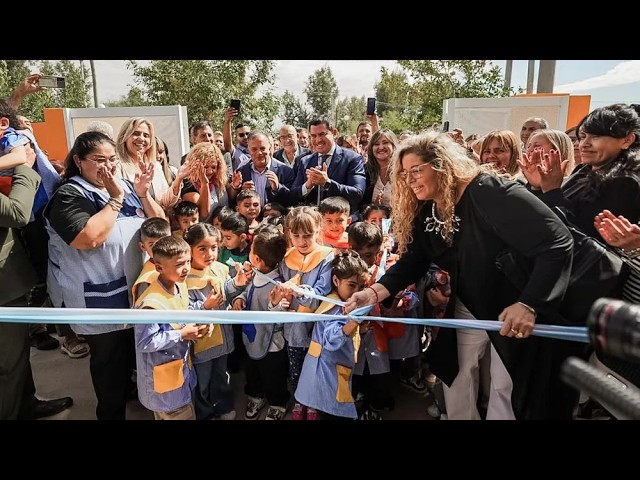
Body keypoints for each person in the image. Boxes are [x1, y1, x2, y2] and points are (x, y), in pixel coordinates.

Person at [344, 129, 576, 420]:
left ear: (441, 165)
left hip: (513, 308)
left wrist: (529, 304)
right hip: (467, 304)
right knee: (455, 376)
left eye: (416, 170)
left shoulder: (490, 191)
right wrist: (373, 292)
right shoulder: (428, 207)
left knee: (505, 386)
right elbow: (415, 259)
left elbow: (558, 241)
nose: (409, 179)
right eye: (404, 173)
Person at [44, 131, 165, 420]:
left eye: (112, 159)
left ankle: (130, 394)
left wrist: (143, 194)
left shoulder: (125, 186)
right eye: (99, 160)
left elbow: (160, 226)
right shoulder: (69, 195)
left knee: (130, 358)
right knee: (109, 366)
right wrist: (116, 199)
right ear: (78, 161)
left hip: (132, 292)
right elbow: (89, 239)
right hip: (98, 297)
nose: (108, 166)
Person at [0, 145, 73, 420]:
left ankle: (26, 404)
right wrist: (25, 167)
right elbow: (16, 213)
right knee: (8, 364)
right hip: (3, 290)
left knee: (17, 356)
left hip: (8, 286)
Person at [294, 250, 371, 420]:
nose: (357, 292)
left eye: (362, 287)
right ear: (336, 281)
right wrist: (353, 323)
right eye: (351, 285)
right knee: (331, 411)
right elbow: (330, 340)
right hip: (327, 374)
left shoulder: (339, 301)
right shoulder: (337, 308)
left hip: (326, 369)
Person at [184, 223, 249, 420]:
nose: (209, 254)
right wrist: (205, 307)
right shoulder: (184, 278)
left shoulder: (220, 269)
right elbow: (182, 309)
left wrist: (236, 283)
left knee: (222, 376)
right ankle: (205, 414)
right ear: (190, 249)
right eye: (202, 249)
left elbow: (226, 291)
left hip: (223, 338)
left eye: (213, 248)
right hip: (202, 343)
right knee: (202, 382)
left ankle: (223, 407)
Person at [277, 205, 335, 420]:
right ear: (289, 234)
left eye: (308, 235)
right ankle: (300, 401)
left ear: (318, 230)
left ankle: (313, 404)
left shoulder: (327, 258)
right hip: (293, 328)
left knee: (316, 367)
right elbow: (280, 286)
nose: (302, 241)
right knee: (296, 368)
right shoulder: (286, 258)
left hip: (316, 328)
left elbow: (322, 292)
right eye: (296, 235)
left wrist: (300, 291)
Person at [134, 235, 201, 420]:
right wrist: (181, 334)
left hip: (179, 375)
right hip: (165, 388)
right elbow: (145, 342)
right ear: (159, 268)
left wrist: (200, 323)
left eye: (188, 261)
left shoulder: (180, 285)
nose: (186, 268)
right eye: (179, 264)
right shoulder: (150, 304)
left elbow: (184, 311)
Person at [231, 224, 291, 420]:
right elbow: (249, 292)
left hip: (272, 344)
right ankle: (256, 396)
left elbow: (281, 314)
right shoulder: (258, 273)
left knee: (274, 375)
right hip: (252, 336)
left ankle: (277, 404)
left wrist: (274, 304)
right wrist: (239, 299)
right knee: (253, 370)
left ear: (256, 258)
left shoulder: (278, 284)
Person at [289, 118, 366, 221]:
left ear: (334, 133)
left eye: (322, 134)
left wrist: (328, 183)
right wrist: (307, 186)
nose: (318, 140)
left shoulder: (352, 159)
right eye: (313, 136)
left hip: (341, 224)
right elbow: (292, 195)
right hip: (314, 224)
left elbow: (357, 193)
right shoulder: (305, 161)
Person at [115, 117, 180, 212]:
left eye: (146, 135)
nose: (141, 138)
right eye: (136, 133)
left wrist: (179, 180)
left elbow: (165, 203)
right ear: (125, 137)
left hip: (156, 219)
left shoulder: (155, 166)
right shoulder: (116, 165)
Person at [181, 142, 240, 223]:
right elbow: (204, 213)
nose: (210, 171)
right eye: (205, 167)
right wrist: (204, 184)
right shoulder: (188, 184)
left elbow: (230, 195)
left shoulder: (218, 178)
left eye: (213, 167)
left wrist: (235, 186)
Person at [233, 131, 295, 208]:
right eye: (254, 149)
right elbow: (233, 202)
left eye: (262, 148)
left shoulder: (285, 171)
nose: (259, 153)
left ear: (269, 148)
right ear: (249, 151)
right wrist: (241, 192)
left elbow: (292, 200)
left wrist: (277, 188)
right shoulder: (241, 172)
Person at [131, 217, 172, 303]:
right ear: (143, 247)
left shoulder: (179, 264)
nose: (159, 248)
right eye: (152, 244)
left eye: (163, 242)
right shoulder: (147, 280)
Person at [362, 129, 398, 208]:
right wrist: (374, 207)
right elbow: (360, 203)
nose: (381, 147)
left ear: (393, 145)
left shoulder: (402, 170)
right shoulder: (365, 171)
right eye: (376, 144)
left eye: (385, 143)